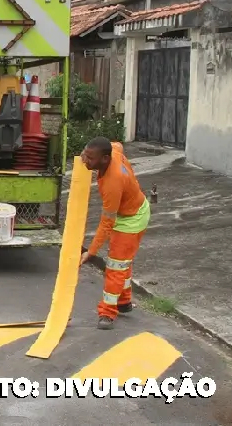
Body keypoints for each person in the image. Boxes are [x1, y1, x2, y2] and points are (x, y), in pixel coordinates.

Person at [79, 137, 151, 330]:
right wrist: (87, 153)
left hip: (131, 220)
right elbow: (117, 144)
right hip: (133, 209)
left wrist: (91, 252)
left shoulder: (113, 182)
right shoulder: (113, 151)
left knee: (115, 267)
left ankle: (107, 313)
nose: (84, 160)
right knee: (123, 262)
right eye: (84, 154)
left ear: (104, 159)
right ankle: (124, 302)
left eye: (89, 158)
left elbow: (106, 224)